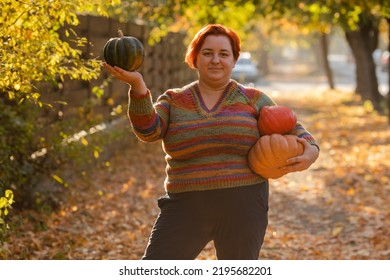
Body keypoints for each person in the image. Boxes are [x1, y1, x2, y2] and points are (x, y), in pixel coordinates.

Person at [102, 23, 319, 260]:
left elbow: (290, 125)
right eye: (207, 53)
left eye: (224, 54)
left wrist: (311, 149)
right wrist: (138, 86)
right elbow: (148, 131)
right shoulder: (174, 100)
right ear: (194, 58)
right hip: (185, 206)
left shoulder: (253, 99)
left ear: (234, 60)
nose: (216, 60)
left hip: (244, 206)